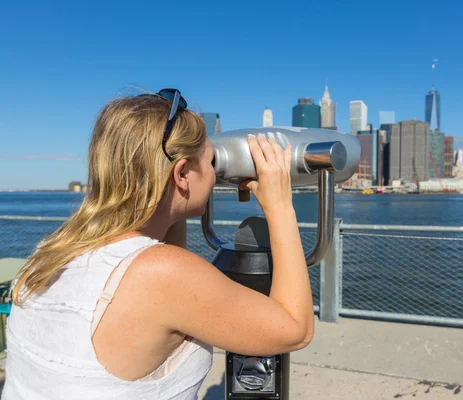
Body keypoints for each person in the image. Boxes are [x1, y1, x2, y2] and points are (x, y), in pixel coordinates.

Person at [2, 89, 314, 399]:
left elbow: (161, 243)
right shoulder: (161, 273)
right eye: (211, 162)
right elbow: (295, 331)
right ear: (181, 174)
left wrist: (179, 195)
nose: (215, 174)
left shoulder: (51, 250)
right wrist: (280, 205)